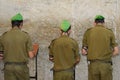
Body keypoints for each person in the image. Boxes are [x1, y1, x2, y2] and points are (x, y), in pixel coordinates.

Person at [0, 13, 39, 80]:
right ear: (21, 24)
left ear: (11, 24)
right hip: (21, 68)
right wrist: (34, 51)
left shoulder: (3, 36)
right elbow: (31, 56)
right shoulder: (25, 36)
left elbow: (0, 56)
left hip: (8, 68)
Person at [82, 15, 119, 80]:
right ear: (103, 23)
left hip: (93, 66)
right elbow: (116, 51)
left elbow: (84, 52)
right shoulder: (109, 32)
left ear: (94, 23)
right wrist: (108, 55)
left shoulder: (88, 32)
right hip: (106, 65)